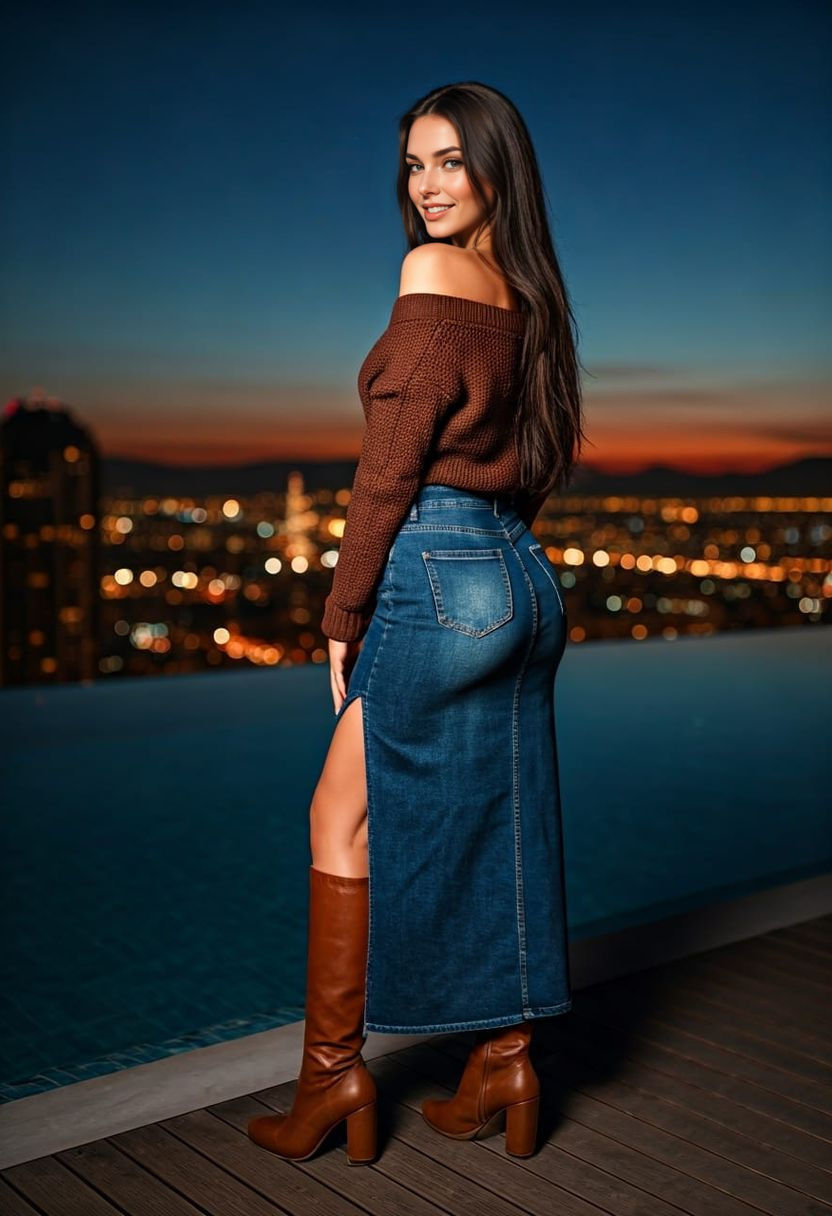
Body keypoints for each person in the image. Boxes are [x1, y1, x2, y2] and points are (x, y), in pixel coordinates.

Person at [248, 80, 586, 1166]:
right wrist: (492, 559)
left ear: (496, 167)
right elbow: (537, 456)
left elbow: (389, 465)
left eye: (450, 160)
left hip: (434, 571)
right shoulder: (531, 292)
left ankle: (332, 1079)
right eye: (413, 165)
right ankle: (503, 1060)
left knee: (339, 816)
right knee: (500, 811)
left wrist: (342, 608)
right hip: (518, 573)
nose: (427, 186)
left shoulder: (432, 273)